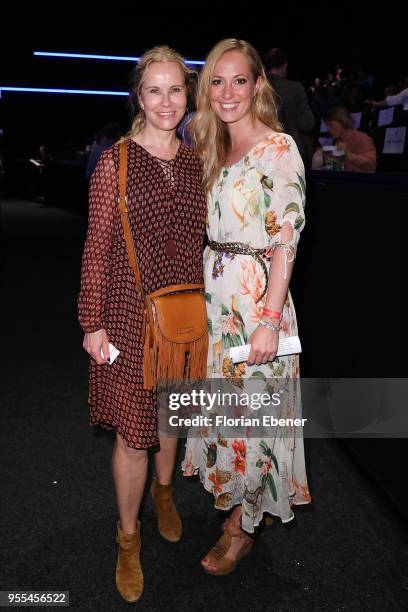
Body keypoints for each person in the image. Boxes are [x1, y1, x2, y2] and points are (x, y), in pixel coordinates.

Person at [77, 46, 206, 602]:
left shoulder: (201, 161)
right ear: (139, 96)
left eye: (175, 89)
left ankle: (165, 492)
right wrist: (91, 321)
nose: (166, 101)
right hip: (128, 319)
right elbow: (96, 250)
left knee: (170, 416)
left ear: (187, 95)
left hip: (185, 317)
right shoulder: (115, 163)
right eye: (154, 90)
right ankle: (128, 539)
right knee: (134, 433)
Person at [182, 39, 311, 575]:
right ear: (206, 90)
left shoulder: (278, 147)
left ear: (259, 84)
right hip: (218, 308)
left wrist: (267, 319)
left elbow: (287, 236)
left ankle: (242, 528)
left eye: (239, 80)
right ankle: (237, 503)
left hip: (258, 306)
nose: (227, 92)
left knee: (255, 421)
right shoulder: (213, 146)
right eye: (217, 81)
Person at [264, 47, 315, 166]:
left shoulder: (255, 87)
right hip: (290, 152)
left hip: (261, 152)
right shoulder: (294, 88)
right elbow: (308, 124)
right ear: (285, 65)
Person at [324, 106, 377, 172]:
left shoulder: (363, 139)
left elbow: (371, 166)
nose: (328, 129)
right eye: (327, 126)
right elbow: (337, 171)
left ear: (343, 122)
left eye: (331, 125)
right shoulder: (338, 142)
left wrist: (348, 154)